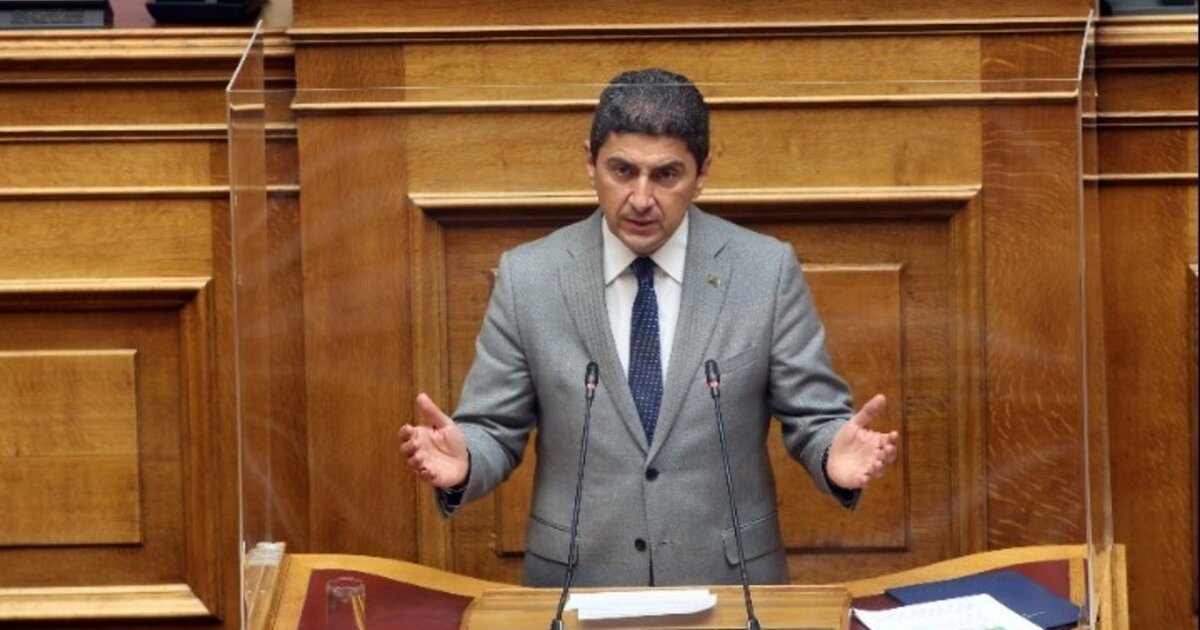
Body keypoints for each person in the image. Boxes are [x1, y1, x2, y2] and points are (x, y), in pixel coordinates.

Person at [399, 68, 898, 587]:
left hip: (730, 586)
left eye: (666, 175)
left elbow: (814, 415)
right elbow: (494, 428)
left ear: (702, 173)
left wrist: (831, 453)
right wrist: (465, 462)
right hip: (576, 586)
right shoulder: (530, 277)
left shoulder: (764, 271)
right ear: (589, 162)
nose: (640, 198)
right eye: (622, 170)